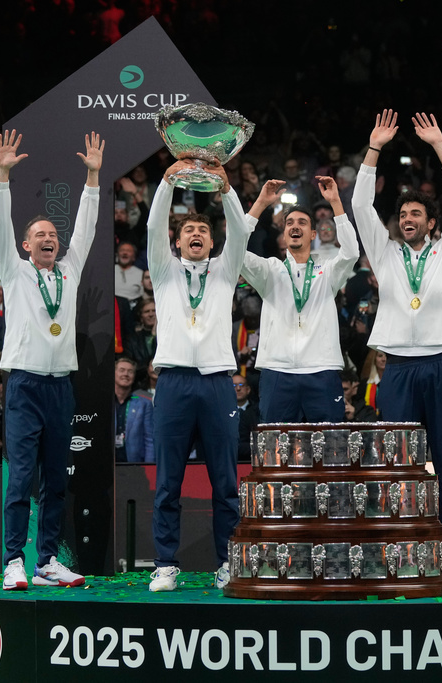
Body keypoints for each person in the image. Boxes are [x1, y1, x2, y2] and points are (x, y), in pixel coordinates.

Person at [352, 110, 442, 575]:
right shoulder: (384, 253)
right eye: (402, 214)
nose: (406, 219)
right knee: (397, 466)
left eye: (415, 213)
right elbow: (362, 207)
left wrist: (440, 147)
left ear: (431, 220)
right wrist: (374, 149)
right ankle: (399, 549)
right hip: (398, 369)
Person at [0, 129, 104, 591]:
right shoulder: (15, 272)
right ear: (24, 246)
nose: (49, 239)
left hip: (61, 387)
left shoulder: (69, 270)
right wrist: (2, 176)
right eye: (39, 234)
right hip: (24, 386)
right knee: (21, 478)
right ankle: (14, 561)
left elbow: (87, 227)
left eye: (52, 234)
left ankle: (47, 561)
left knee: (56, 481)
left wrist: (93, 178)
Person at [147, 158, 246, 593]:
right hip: (173, 382)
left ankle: (227, 561)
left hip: (217, 383)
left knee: (226, 482)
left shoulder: (225, 272)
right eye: (189, 231)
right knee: (168, 482)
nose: (196, 235)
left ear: (212, 241)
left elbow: (240, 231)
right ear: (178, 240)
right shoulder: (164, 272)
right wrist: (167, 183)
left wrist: (226, 190)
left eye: (203, 231)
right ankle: (166, 564)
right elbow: (152, 228)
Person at [241, 175, 359, 422]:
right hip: (277, 370)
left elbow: (351, 253)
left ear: (313, 233)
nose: (295, 226)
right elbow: (235, 251)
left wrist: (336, 203)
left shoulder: (327, 271)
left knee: (330, 451)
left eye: (303, 223)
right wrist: (260, 204)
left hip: (322, 370)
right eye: (290, 223)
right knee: (275, 453)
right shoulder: (270, 270)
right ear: (284, 233)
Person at [113, 356, 153, 463]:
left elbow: (149, 440)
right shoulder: (104, 402)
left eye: (130, 371)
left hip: (134, 466)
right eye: (122, 370)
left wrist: (150, 468)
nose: (126, 374)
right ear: (114, 373)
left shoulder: (144, 404)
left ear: (134, 376)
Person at [232, 373, 259, 461]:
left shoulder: (258, 411)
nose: (238, 388)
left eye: (241, 385)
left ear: (248, 389)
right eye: (234, 385)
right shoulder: (221, 412)